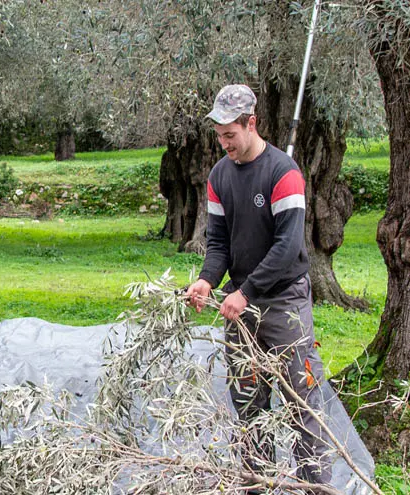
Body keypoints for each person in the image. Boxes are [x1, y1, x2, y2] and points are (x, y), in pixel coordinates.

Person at [184, 85, 332, 489]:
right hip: (240, 306)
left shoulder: (284, 173)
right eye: (219, 136)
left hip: (284, 303)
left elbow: (288, 248)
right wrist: (206, 279)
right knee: (250, 406)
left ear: (252, 123)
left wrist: (245, 292)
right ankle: (257, 484)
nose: (224, 143)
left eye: (230, 134)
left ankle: (315, 487)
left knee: (303, 404)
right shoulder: (219, 176)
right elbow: (218, 243)